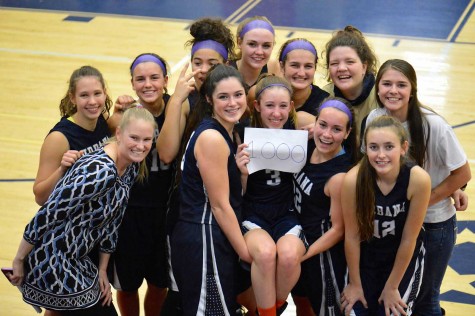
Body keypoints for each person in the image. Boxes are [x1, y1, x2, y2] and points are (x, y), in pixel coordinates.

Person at [6, 107, 156, 316]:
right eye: (134, 138)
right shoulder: (100, 171)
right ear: (119, 134)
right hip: (53, 257)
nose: (141, 146)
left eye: (147, 140)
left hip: (78, 259)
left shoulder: (129, 168)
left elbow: (112, 223)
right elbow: (49, 212)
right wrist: (19, 259)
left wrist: (102, 270)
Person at [364, 59, 471, 316]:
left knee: (426, 301)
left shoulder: (433, 125)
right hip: (394, 223)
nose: (393, 90)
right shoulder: (375, 118)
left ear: (412, 90)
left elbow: (462, 173)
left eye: (401, 85)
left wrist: (423, 202)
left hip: (434, 226)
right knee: (396, 297)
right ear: (377, 88)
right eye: (386, 84)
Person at [170, 64, 252, 316]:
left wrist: (242, 174)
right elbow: (219, 205)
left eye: (238, 95)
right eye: (223, 97)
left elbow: (230, 195)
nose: (232, 103)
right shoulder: (212, 138)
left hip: (210, 236)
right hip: (203, 236)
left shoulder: (227, 132)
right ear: (209, 99)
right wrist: (246, 254)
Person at [236, 75, 312, 316]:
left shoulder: (298, 130)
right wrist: (243, 174)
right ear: (257, 106)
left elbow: (330, 123)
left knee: (289, 256)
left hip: (287, 214)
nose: (276, 113)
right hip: (253, 214)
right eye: (269, 105)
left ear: (291, 107)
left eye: (282, 106)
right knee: (266, 253)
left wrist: (317, 130)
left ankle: (266, 311)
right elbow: (236, 194)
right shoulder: (242, 131)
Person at [341, 115, 431, 316]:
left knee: (391, 312)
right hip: (366, 259)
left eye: (389, 147)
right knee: (353, 311)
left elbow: (409, 240)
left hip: (402, 261)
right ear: (365, 149)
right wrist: (355, 283)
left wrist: (392, 287)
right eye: (373, 147)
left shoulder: (418, 180)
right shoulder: (353, 180)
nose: (381, 155)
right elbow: (352, 237)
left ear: (404, 147)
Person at [111, 53, 172, 316]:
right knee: (127, 285)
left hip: (167, 213)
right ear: (132, 84)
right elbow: (111, 128)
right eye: (141, 79)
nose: (148, 84)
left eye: (154, 78)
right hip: (129, 214)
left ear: (166, 81)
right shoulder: (125, 116)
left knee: (161, 283)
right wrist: (116, 110)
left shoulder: (177, 107)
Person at [293, 97, 357, 316]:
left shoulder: (339, 177)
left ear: (347, 134)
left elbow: (338, 230)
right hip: (300, 244)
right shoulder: (308, 143)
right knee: (303, 307)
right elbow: (297, 115)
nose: (327, 135)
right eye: (323, 125)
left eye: (337, 129)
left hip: (323, 259)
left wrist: (302, 255)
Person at [157, 17, 236, 164]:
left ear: (226, 64)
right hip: (191, 184)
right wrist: (176, 101)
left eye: (212, 64)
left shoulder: (236, 98)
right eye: (197, 63)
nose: (203, 70)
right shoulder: (185, 100)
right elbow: (165, 155)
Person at [33, 65, 113, 206]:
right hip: (72, 220)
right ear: (73, 98)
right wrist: (62, 169)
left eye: (97, 93)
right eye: (84, 95)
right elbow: (40, 197)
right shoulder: (59, 138)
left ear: (105, 93)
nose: (92, 101)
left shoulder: (102, 118)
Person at [323, 25, 378, 143]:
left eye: (350, 62)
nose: (341, 68)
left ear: (364, 67)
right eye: (334, 63)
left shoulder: (381, 96)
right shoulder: (325, 96)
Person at [278, 38, 329, 116]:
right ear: (282, 67)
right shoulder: (266, 96)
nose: (301, 73)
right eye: (294, 65)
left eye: (308, 66)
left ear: (315, 68)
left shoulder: (326, 104)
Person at [230, 16, 279, 89]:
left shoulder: (272, 67)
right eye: (252, 44)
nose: (259, 52)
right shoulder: (226, 69)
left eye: (266, 46)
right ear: (239, 42)